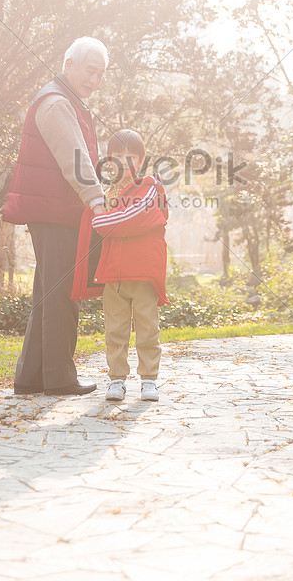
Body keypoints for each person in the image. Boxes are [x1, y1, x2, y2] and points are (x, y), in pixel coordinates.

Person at [2, 37, 108, 396]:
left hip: (53, 210)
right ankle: (61, 379)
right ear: (69, 63)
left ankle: (31, 377)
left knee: (49, 293)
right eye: (89, 70)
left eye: (100, 74)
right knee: (63, 294)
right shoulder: (57, 103)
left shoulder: (61, 99)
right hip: (56, 211)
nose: (94, 79)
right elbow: (74, 159)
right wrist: (98, 201)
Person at [84, 128, 169, 402]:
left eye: (131, 156)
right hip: (113, 273)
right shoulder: (104, 193)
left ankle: (148, 380)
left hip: (143, 272)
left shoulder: (151, 188)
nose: (125, 161)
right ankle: (117, 380)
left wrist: (101, 221)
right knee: (115, 329)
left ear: (141, 161)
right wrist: (99, 212)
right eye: (118, 156)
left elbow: (129, 220)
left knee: (147, 329)